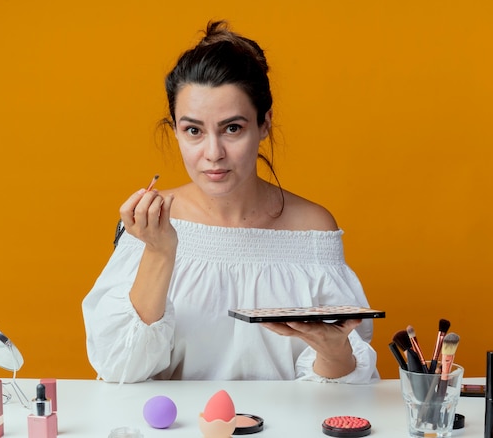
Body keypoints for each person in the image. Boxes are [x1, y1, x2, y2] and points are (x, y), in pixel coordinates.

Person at [82, 20, 378, 384]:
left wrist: (335, 352)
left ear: (264, 124)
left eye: (232, 128)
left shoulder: (312, 229)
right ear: (174, 129)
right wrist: (159, 252)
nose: (213, 153)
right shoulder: (152, 223)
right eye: (193, 131)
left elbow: (343, 388)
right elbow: (119, 368)